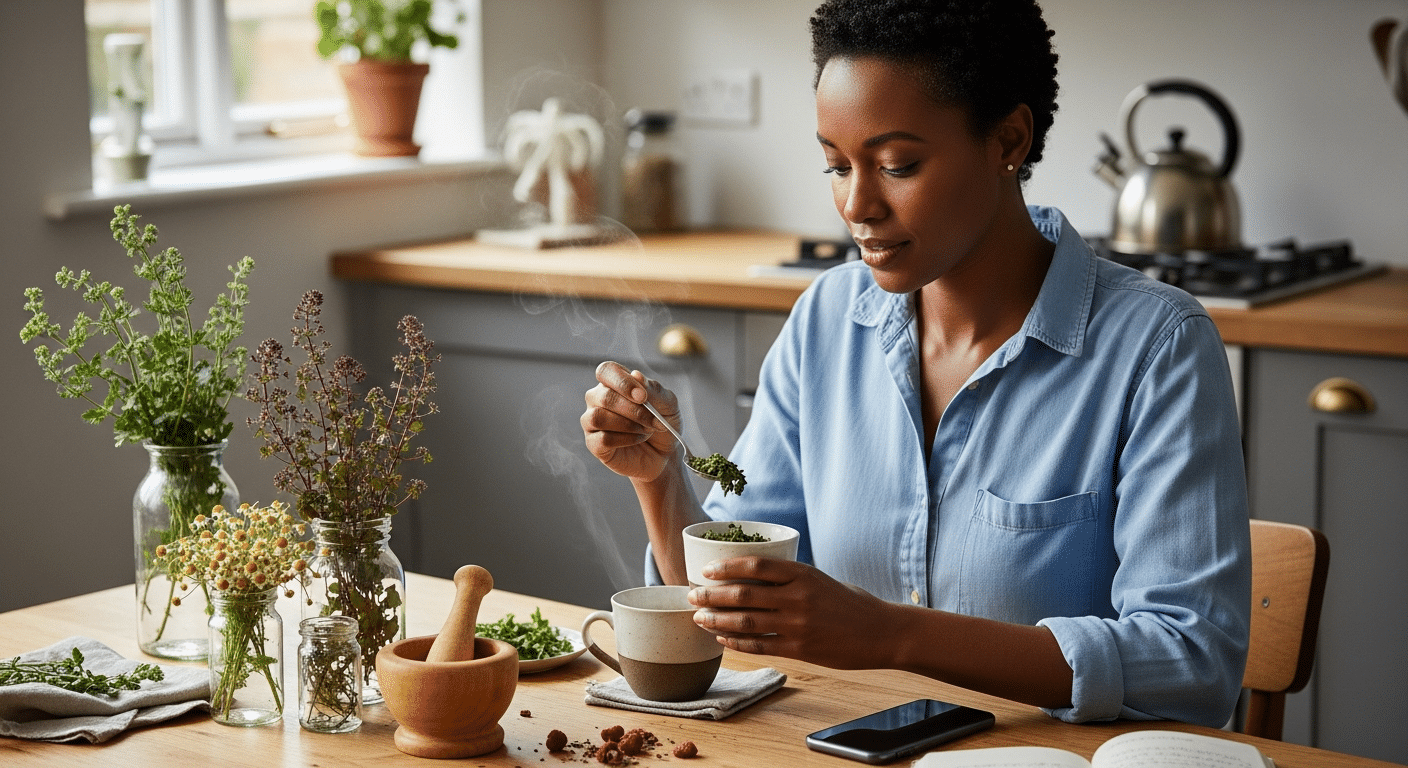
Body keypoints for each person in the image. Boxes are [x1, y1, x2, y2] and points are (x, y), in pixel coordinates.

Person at [581, 0, 1250, 728]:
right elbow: (730, 601)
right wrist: (659, 481)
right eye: (837, 165)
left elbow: (1193, 664)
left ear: (1009, 139)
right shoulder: (827, 319)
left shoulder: (1158, 346)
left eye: (897, 165)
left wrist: (890, 635)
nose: (857, 205)